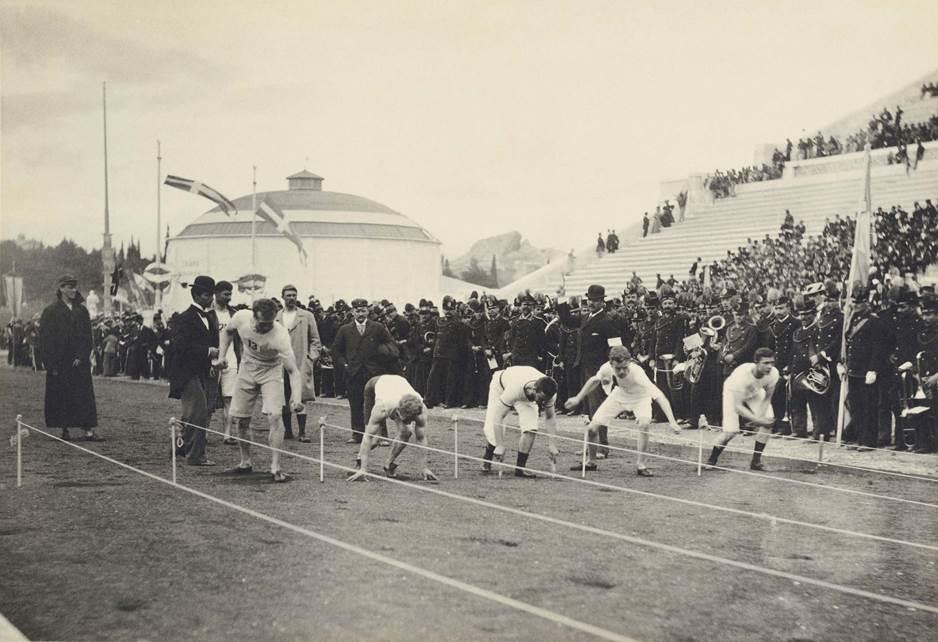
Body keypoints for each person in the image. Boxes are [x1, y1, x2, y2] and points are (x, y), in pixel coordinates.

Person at [215, 298, 304, 483]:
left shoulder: (280, 336)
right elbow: (227, 332)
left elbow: (293, 372)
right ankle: (245, 462)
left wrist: (296, 399)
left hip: (271, 371)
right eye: (262, 324)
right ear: (253, 316)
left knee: (275, 416)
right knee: (241, 418)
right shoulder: (241, 317)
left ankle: (275, 466)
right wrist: (222, 356)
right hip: (247, 368)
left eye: (269, 324)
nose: (265, 328)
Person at [565, 346, 680, 476]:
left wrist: (672, 421)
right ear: (611, 364)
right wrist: (578, 398)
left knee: (644, 424)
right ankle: (591, 462)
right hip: (619, 394)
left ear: (630, 362)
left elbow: (660, 397)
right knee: (592, 428)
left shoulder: (638, 373)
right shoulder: (606, 367)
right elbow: (594, 380)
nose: (621, 372)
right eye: (617, 368)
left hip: (641, 397)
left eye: (625, 367)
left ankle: (641, 465)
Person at [39, 274, 101, 442]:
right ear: (61, 289)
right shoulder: (50, 311)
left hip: (79, 362)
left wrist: (81, 356)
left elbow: (87, 337)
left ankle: (88, 430)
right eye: (69, 287)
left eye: (74, 287)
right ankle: (64, 429)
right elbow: (45, 339)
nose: (73, 290)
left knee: (83, 395)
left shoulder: (82, 311)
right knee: (61, 395)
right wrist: (51, 363)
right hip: (59, 363)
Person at [168, 275, 219, 466]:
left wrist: (212, 362)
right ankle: (196, 456)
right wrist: (207, 351)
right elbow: (179, 347)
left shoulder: (209, 318)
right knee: (198, 413)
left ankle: (180, 448)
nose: (211, 298)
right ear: (196, 295)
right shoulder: (184, 318)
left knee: (193, 412)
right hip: (185, 371)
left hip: (202, 371)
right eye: (207, 294)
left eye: (211, 294)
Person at [332, 298, 399, 443]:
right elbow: (336, 351)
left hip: (374, 373)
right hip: (354, 372)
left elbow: (390, 344)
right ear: (352, 312)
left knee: (378, 404)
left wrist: (382, 352)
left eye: (363, 310)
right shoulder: (345, 330)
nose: (360, 314)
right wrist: (344, 365)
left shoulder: (378, 327)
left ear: (368, 311)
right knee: (355, 403)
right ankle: (357, 434)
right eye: (357, 311)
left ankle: (381, 436)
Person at [346, 374, 438, 482]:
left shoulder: (421, 411)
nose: (409, 422)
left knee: (406, 432)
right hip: (373, 386)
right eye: (407, 419)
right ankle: (360, 462)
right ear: (398, 411)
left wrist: (424, 467)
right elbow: (368, 436)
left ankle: (388, 464)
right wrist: (363, 469)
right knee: (375, 439)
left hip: (398, 383)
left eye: (412, 419)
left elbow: (421, 438)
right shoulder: (382, 407)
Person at [704, 348, 780, 471]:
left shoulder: (774, 374)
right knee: (731, 431)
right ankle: (712, 459)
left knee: (768, 420)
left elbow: (767, 398)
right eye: (765, 363)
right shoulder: (742, 375)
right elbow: (738, 407)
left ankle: (756, 462)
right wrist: (758, 421)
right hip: (732, 392)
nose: (769, 366)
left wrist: (758, 419)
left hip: (755, 391)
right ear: (756, 362)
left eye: (772, 362)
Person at [480, 366, 559, 478]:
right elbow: (499, 416)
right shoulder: (515, 388)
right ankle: (488, 457)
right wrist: (500, 445)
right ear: (533, 389)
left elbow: (550, 418)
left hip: (526, 394)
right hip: (500, 386)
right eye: (541, 399)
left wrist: (552, 445)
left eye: (545, 400)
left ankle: (520, 469)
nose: (543, 403)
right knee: (492, 427)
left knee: (531, 427)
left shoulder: (550, 394)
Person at [276, 284, 321, 442]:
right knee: (283, 395)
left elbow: (315, 340)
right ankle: (288, 431)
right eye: (288, 295)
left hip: (300, 361)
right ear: (283, 297)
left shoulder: (306, 316)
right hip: (280, 363)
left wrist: (311, 357)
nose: (291, 298)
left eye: (294, 295)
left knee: (300, 396)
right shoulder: (276, 317)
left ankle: (302, 432)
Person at [212, 281, 241, 446]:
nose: (228, 297)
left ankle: (227, 434)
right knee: (209, 398)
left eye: (230, 294)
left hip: (231, 359)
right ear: (216, 293)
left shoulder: (234, 314)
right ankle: (203, 433)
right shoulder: (209, 313)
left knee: (229, 398)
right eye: (225, 294)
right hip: (212, 359)